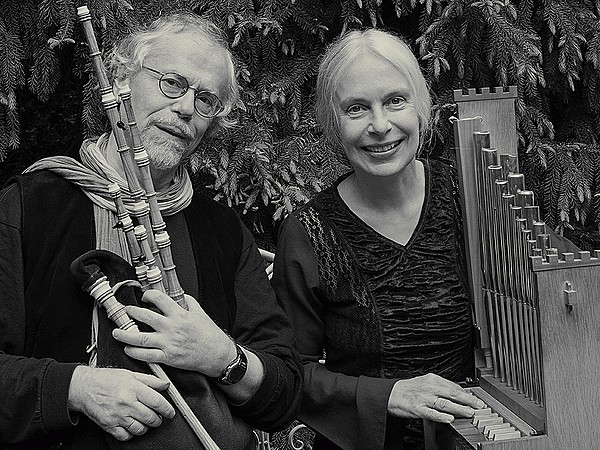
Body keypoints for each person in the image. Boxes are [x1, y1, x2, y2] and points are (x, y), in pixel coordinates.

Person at [0, 12, 302, 449]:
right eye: (172, 83)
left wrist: (221, 357)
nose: (186, 109)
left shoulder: (222, 232)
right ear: (122, 80)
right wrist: (75, 388)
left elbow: (285, 392)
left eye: (206, 100)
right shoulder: (29, 207)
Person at [271, 29, 486, 450]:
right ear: (334, 125)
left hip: (484, 435)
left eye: (395, 101)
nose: (381, 125)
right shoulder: (308, 232)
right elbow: (291, 372)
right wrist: (387, 395)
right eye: (356, 109)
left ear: (421, 108)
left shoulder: (474, 196)